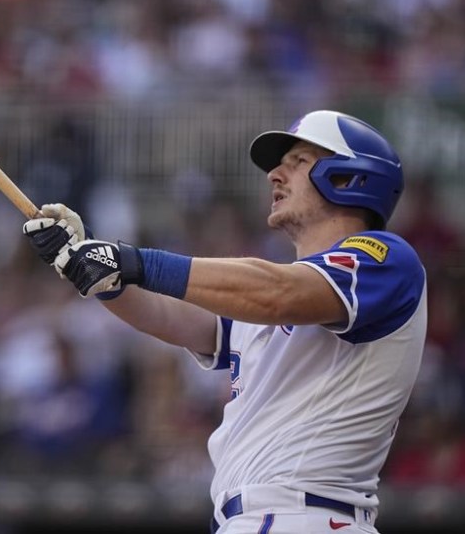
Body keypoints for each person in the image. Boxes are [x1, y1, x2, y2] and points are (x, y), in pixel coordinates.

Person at [22, 110, 427, 534]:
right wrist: (91, 267)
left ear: (348, 178)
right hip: (260, 517)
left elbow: (279, 293)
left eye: (298, 162)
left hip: (307, 514)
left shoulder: (385, 257)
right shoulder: (268, 296)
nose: (275, 175)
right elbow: (171, 316)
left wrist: (133, 260)